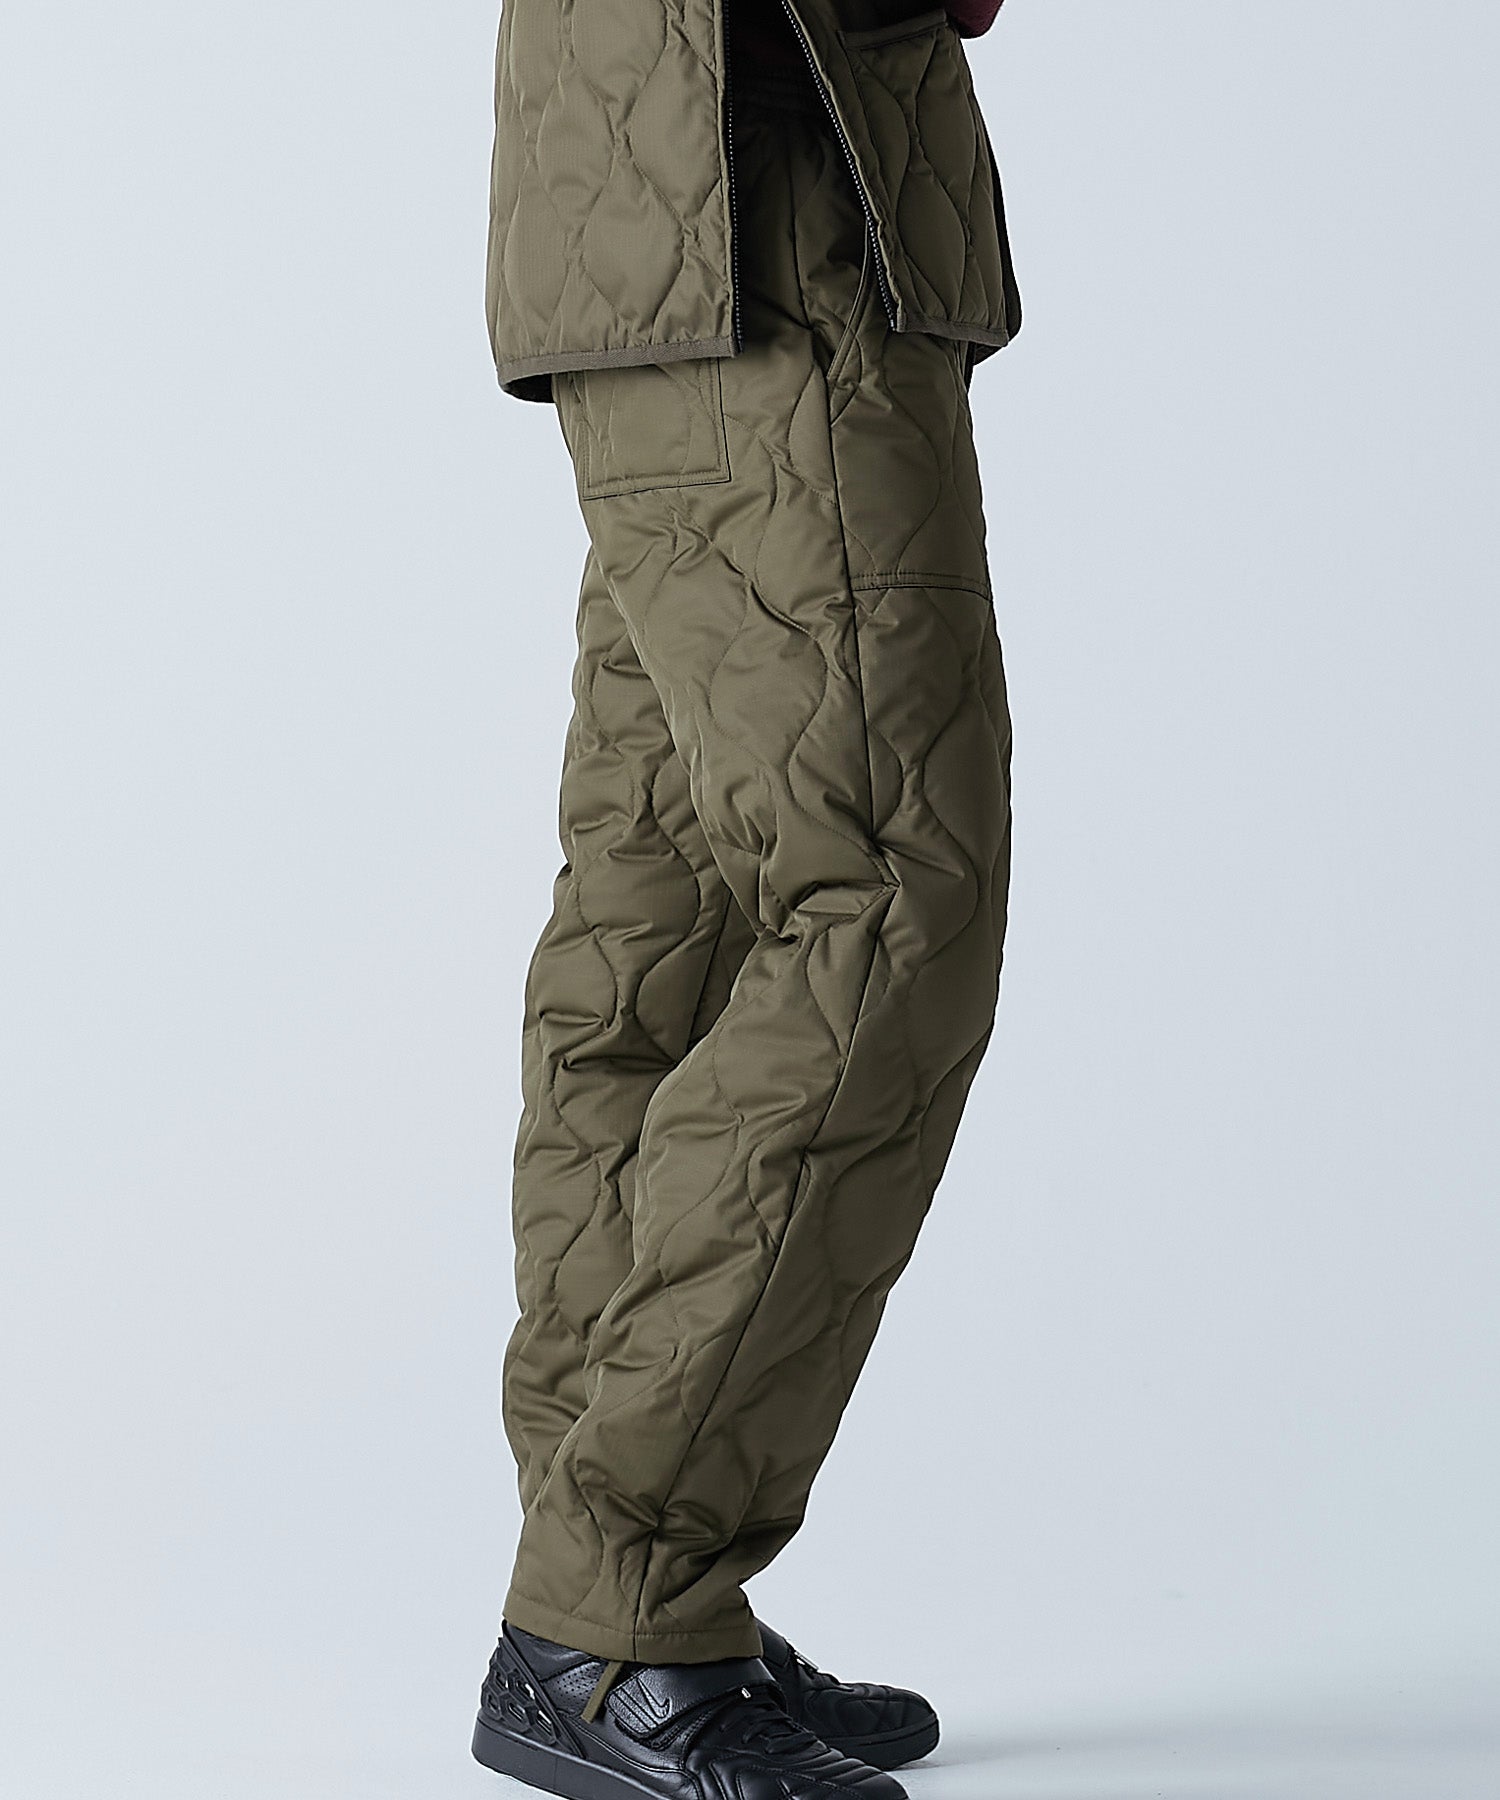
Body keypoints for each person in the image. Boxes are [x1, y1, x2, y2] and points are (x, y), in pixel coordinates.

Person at [471, 4, 1021, 1796]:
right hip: (756, 198)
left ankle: (612, 1589)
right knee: (885, 904)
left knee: (667, 934)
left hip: (656, 215)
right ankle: (621, 1602)